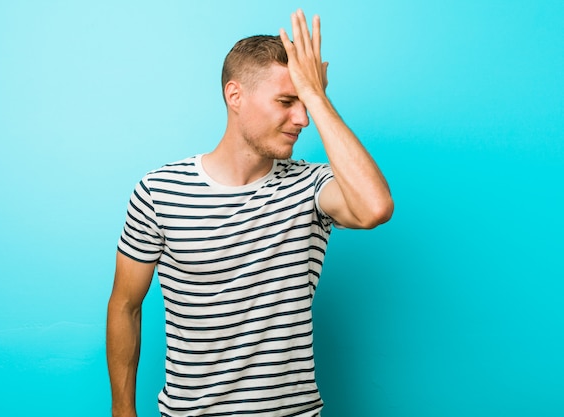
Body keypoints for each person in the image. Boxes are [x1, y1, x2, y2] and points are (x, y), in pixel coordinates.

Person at [106, 9, 393, 417]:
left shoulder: (312, 187)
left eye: (305, 102)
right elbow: (124, 306)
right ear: (235, 96)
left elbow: (375, 208)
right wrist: (122, 412)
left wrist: (317, 95)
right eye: (286, 100)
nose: (303, 119)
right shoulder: (159, 190)